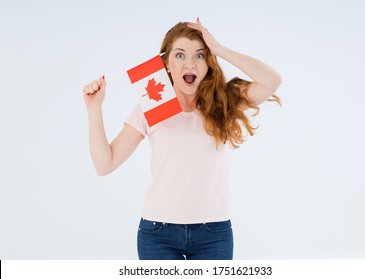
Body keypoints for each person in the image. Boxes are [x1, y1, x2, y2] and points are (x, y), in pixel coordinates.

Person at [82, 18, 282, 260]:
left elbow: (272, 81)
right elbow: (105, 164)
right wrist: (95, 109)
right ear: (166, 63)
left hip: (214, 232)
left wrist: (219, 49)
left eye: (199, 55)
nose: (190, 63)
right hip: (158, 232)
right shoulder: (151, 107)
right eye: (179, 55)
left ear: (208, 62)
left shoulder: (222, 102)